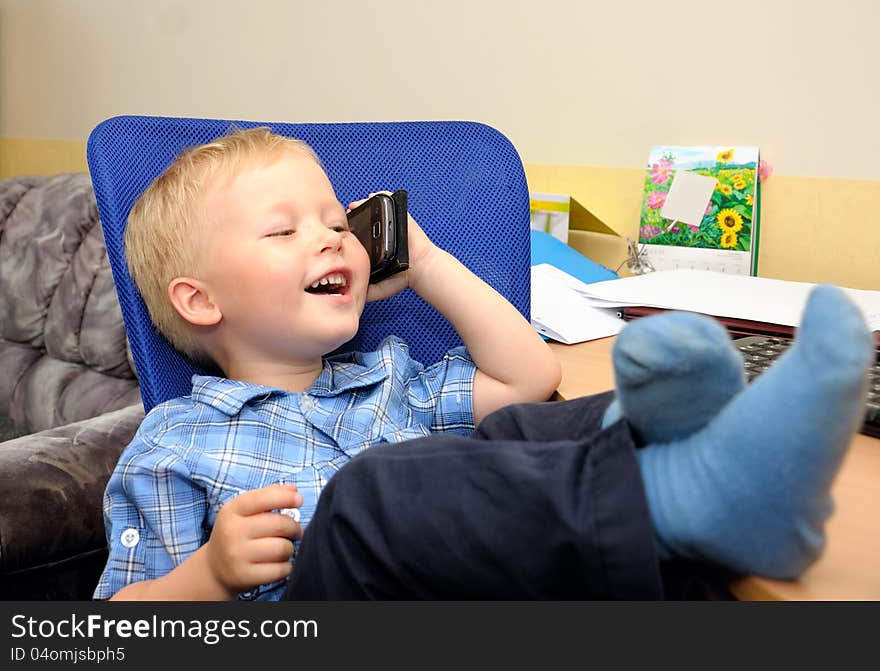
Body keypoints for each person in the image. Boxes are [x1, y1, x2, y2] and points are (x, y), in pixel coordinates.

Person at [95, 127, 874, 601]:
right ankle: (687, 493)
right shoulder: (175, 440)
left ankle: (714, 454)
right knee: (368, 498)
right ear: (200, 301)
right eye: (283, 231)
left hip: (465, 593)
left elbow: (527, 376)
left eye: (338, 221)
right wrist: (207, 576)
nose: (332, 238)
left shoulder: (389, 376)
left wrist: (427, 260)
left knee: (537, 424)